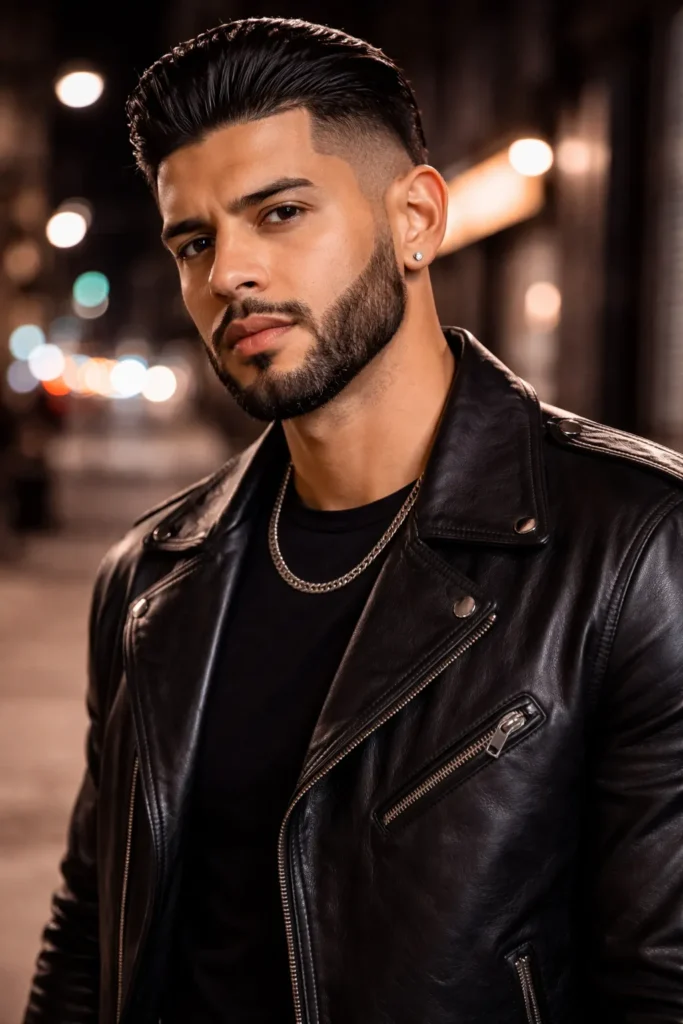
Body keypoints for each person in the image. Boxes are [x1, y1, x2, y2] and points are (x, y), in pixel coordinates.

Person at [23, 17, 683, 1024]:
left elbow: (657, 982)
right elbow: (91, 935)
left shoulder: (635, 547)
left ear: (415, 218)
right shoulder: (150, 576)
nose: (227, 274)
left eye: (279, 213)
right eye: (194, 241)